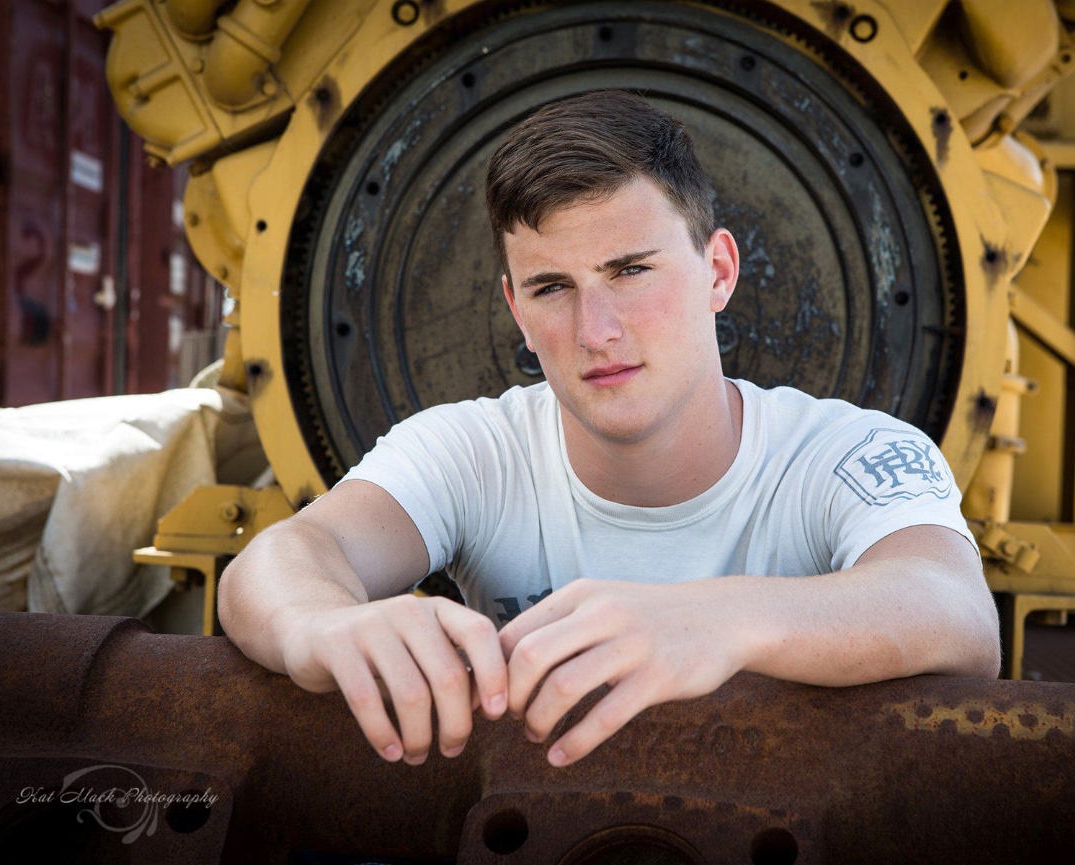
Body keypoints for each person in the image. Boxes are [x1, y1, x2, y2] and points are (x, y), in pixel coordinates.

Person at [218, 90, 1000, 769]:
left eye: (630, 270)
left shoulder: (852, 452)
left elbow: (953, 610)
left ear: (718, 272)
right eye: (552, 287)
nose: (596, 330)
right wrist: (321, 624)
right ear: (517, 311)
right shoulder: (471, 451)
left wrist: (718, 620)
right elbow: (288, 556)